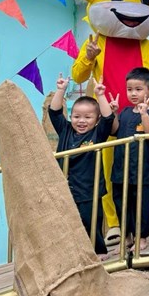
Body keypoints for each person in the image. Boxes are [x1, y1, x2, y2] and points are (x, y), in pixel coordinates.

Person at [49, 74, 114, 257]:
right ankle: (72, 254)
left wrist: (100, 95)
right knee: (66, 221)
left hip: (89, 189)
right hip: (66, 187)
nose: (82, 121)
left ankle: (99, 251)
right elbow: (54, 112)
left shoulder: (97, 134)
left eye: (88, 117)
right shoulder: (66, 130)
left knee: (90, 220)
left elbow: (108, 119)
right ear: (70, 116)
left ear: (96, 119)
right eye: (77, 116)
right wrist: (61, 90)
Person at [110, 67, 149, 252]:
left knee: (142, 204)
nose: (133, 93)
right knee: (121, 204)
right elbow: (114, 130)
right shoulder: (125, 112)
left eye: (138, 89)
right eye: (129, 89)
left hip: (144, 170)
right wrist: (114, 113)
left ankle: (141, 238)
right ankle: (126, 237)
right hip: (121, 169)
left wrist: (144, 114)